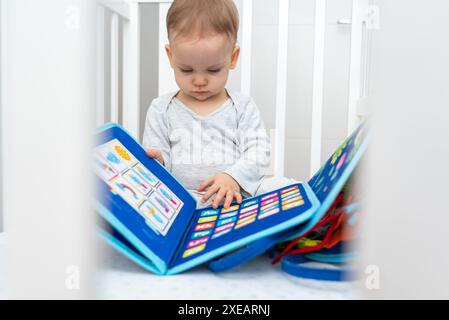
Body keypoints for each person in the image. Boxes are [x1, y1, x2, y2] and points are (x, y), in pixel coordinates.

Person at [143, 0, 295, 209]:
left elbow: (258, 152)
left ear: (232, 57)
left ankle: (321, 209)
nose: (199, 81)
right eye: (186, 70)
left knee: (282, 186)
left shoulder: (242, 106)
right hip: (187, 199)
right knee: (151, 203)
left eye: (213, 70)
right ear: (171, 56)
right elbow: (160, 166)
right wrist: (156, 163)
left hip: (239, 194)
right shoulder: (161, 109)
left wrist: (232, 177)